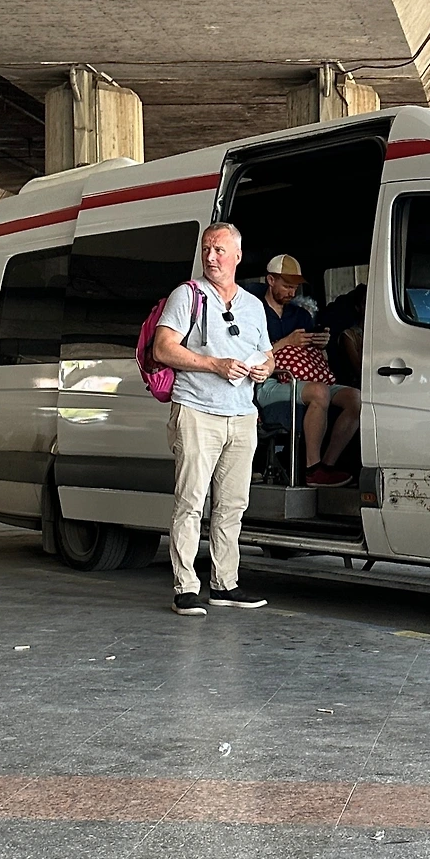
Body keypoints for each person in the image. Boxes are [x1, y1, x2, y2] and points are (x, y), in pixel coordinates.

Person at [152, 223, 274, 617]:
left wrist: (265, 369)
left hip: (242, 415)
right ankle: (185, 587)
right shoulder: (187, 295)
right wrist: (214, 365)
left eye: (219, 250)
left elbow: (267, 354)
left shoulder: (253, 305)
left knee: (232, 505)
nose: (211, 256)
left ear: (237, 256)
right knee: (190, 502)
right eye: (206, 249)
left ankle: (225, 584)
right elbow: (163, 349)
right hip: (197, 411)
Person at [255, 255, 361, 487]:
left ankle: (327, 465)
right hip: (270, 382)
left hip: (306, 377)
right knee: (320, 392)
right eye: (287, 286)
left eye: (295, 287)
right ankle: (312, 468)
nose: (292, 292)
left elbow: (313, 356)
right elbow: (250, 357)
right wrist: (286, 342)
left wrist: (321, 344)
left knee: (355, 398)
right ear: (270, 280)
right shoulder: (254, 312)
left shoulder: (300, 314)